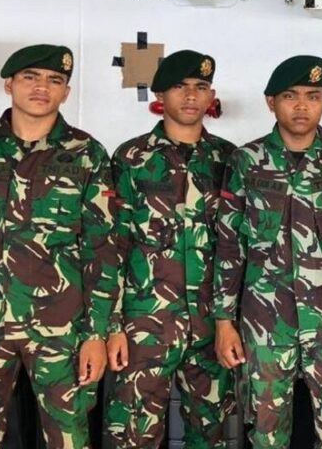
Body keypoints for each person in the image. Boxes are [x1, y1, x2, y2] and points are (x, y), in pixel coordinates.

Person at [0, 44, 117, 448]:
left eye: (54, 80)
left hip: (61, 328)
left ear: (66, 92)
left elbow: (102, 251)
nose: (41, 87)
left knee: (69, 439)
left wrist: (97, 334)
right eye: (30, 77)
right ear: (9, 85)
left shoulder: (87, 155)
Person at [214, 55, 322, 448]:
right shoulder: (246, 161)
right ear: (270, 102)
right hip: (264, 322)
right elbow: (229, 245)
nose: (301, 106)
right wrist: (224, 321)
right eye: (290, 96)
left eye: (313, 96)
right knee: (266, 432)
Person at [106, 50, 236, 448]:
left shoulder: (229, 159)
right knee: (134, 435)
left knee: (211, 435)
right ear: (161, 94)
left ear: (211, 95)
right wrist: (112, 326)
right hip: (146, 323)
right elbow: (112, 244)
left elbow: (238, 246)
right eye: (180, 87)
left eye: (200, 87)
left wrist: (231, 320)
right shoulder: (131, 158)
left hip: (212, 324)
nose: (191, 96)